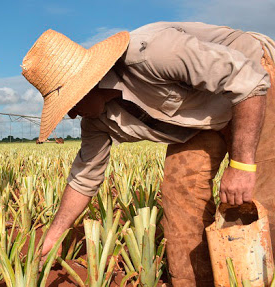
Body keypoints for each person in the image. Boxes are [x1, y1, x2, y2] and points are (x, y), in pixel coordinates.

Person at [21, 22, 274, 286]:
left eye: (69, 104)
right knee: (180, 191)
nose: (71, 114)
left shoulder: (152, 53)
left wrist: (242, 166)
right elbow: (84, 179)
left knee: (265, 196)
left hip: (253, 90)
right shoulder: (95, 121)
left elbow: (249, 80)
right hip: (199, 119)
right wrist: (54, 236)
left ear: (87, 85)